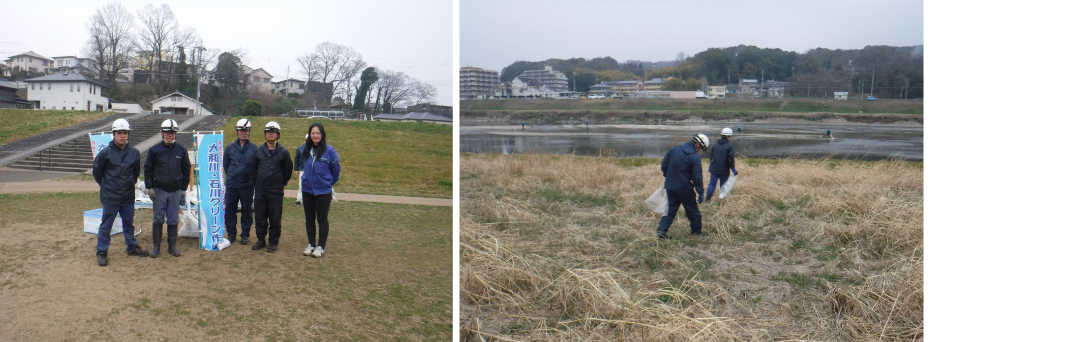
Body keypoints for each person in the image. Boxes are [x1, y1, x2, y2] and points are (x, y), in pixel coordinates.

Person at [92, 119, 149, 266]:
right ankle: (102, 251)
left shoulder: (134, 153)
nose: (122, 136)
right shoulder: (105, 153)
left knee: (128, 224)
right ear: (114, 134)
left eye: (125, 133)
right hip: (110, 197)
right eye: (119, 133)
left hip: (128, 196)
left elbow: (135, 174)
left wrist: (128, 185)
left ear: (128, 134)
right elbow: (98, 173)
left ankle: (132, 247)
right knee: (106, 225)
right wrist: (107, 186)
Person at [143, 119, 191, 258]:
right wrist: (149, 187)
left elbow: (186, 169)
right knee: (158, 219)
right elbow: (148, 169)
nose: (170, 135)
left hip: (175, 190)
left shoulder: (181, 150)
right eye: (167, 133)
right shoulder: (154, 150)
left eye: (172, 133)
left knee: (173, 219)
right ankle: (156, 247)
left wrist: (183, 189)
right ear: (162, 134)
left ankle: (172, 246)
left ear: (175, 134)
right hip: (159, 190)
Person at [250, 121, 293, 253]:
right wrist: (259, 184)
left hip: (276, 191)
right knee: (260, 217)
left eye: (273, 132)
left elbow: (288, 170)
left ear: (278, 135)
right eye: (268, 132)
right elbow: (253, 170)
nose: (270, 134)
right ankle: (261, 239)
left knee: (275, 218)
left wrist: (280, 183)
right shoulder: (258, 151)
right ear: (265, 134)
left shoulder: (283, 152)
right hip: (261, 191)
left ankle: (273, 242)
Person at [299, 123, 341, 258]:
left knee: (322, 219)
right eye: (313, 133)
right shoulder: (305, 150)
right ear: (309, 135)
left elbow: (336, 172)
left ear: (322, 135)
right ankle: (311, 244)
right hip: (307, 190)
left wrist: (327, 183)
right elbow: (303, 168)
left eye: (318, 133)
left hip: (323, 191)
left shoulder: (330, 151)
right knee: (309, 218)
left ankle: (321, 246)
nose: (315, 135)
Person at [657, 134, 709, 239]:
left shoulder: (674, 149)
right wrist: (700, 192)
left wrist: (669, 176)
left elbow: (664, 165)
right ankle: (697, 232)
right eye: (701, 148)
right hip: (684, 188)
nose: (700, 151)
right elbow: (697, 178)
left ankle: (661, 231)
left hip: (670, 185)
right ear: (698, 144)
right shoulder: (694, 157)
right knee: (692, 209)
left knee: (670, 209)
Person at [223, 118, 257, 245]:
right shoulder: (230, 148)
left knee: (247, 211)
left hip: (247, 185)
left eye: (246, 130)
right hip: (232, 185)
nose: (243, 133)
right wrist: (232, 176)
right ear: (237, 131)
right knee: (230, 210)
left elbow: (256, 167)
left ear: (249, 132)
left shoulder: (254, 148)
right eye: (241, 130)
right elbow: (226, 165)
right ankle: (231, 234)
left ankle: (245, 235)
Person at [706, 128, 738, 201]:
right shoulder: (730, 147)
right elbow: (730, 159)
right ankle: (722, 200)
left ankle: (707, 199)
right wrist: (733, 169)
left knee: (712, 184)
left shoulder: (715, 145)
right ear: (727, 137)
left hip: (714, 168)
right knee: (723, 186)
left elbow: (711, 157)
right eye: (730, 136)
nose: (730, 138)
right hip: (724, 170)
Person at [293, 134, 308, 206]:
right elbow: (297, 159)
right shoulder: (300, 148)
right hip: (302, 169)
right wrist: (296, 169)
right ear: (305, 139)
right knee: (301, 185)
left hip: (312, 170)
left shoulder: (314, 148)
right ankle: (299, 199)